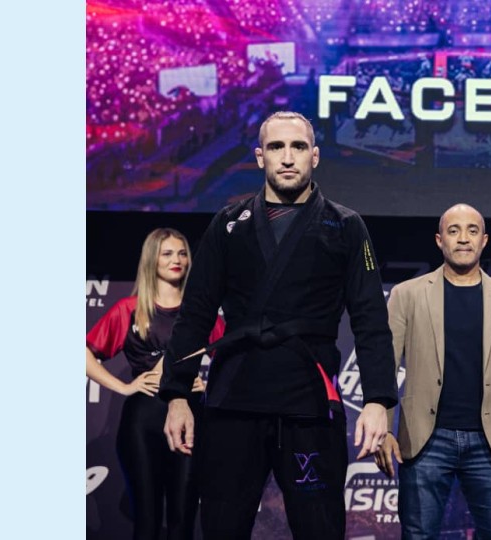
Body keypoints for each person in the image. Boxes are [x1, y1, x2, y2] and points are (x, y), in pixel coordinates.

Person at [159, 111, 399, 539]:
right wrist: (177, 394)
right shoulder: (228, 225)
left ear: (315, 156)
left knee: (320, 529)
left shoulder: (345, 226)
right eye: (276, 147)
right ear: (260, 157)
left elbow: (370, 320)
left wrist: (378, 400)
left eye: (298, 147)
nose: (287, 157)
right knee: (222, 528)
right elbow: (195, 313)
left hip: (309, 401)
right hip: (234, 399)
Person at [375, 203, 491, 540]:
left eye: (472, 231)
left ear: (484, 240)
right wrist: (384, 429)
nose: (463, 238)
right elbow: (385, 365)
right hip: (425, 440)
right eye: (454, 231)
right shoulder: (406, 295)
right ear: (440, 240)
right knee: (418, 534)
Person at [85, 228, 223, 540]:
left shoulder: (200, 312)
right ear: (152, 260)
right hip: (142, 422)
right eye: (168, 253)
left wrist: (210, 385)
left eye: (182, 253)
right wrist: (124, 387)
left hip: (189, 420)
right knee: (146, 523)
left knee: (182, 523)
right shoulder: (129, 309)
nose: (177, 260)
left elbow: (231, 358)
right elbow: (85, 354)